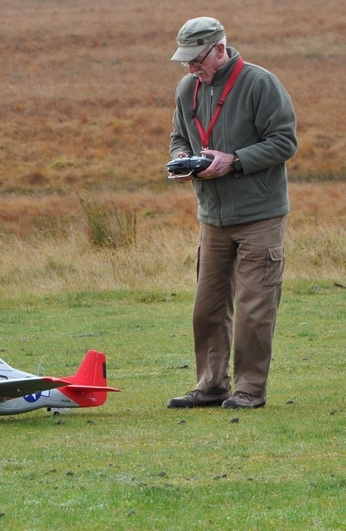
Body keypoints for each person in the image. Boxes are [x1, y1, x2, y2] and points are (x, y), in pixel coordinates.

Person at [166, 17, 297, 409]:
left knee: (254, 307)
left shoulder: (260, 83)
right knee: (206, 308)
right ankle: (211, 386)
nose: (191, 68)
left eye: (197, 59)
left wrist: (234, 161)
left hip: (260, 216)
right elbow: (178, 136)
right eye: (186, 61)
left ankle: (249, 390)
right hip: (213, 218)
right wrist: (180, 159)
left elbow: (284, 141)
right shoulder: (187, 88)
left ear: (220, 50)